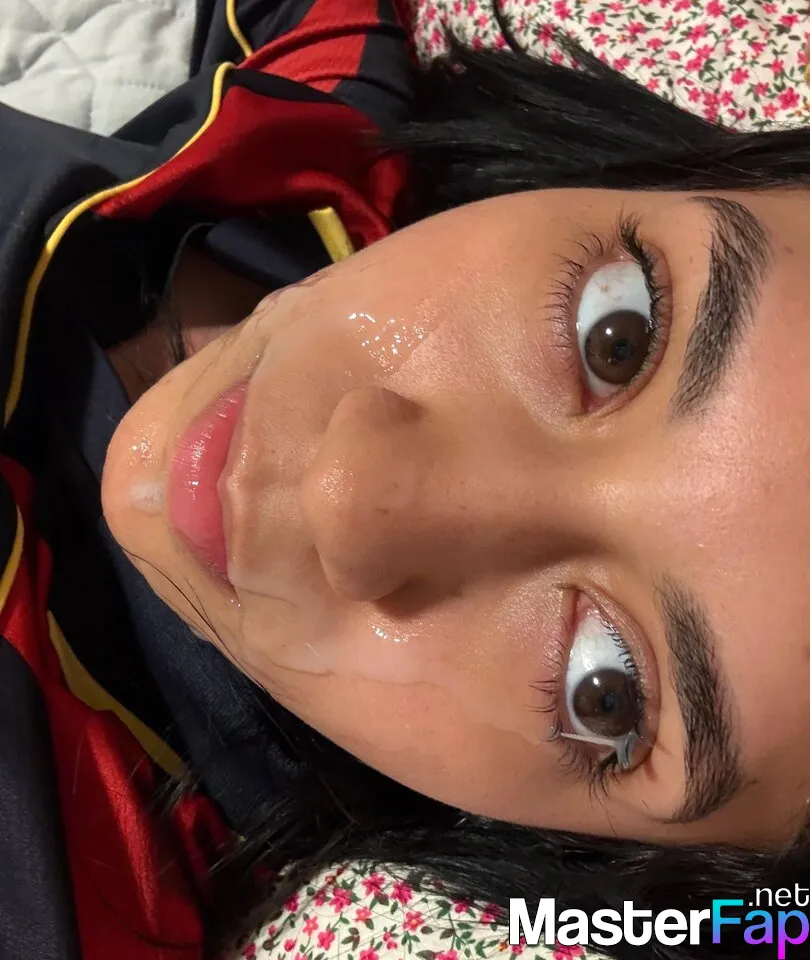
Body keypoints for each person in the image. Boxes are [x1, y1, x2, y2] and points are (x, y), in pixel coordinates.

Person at [2, 2, 810, 959]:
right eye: (617, 336)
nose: (346, 493)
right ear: (677, 171)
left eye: (606, 692)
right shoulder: (338, 113)